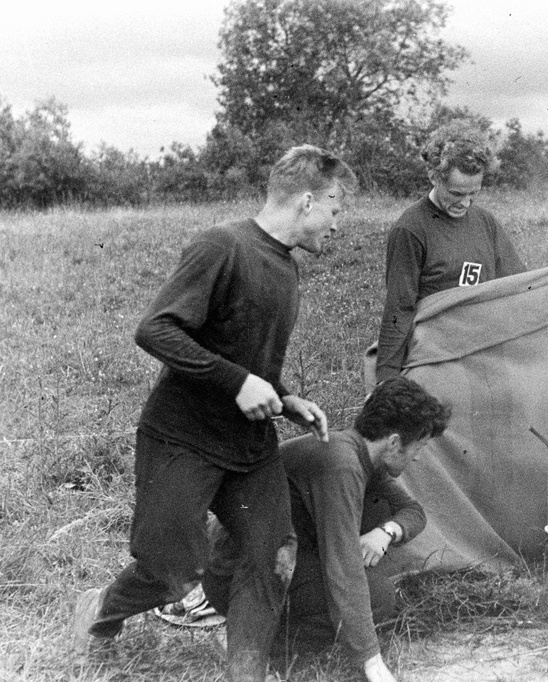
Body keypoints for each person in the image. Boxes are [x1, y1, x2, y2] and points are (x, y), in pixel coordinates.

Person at [71, 145, 357, 682]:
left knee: (271, 557)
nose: (339, 225)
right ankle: (100, 612)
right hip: (183, 436)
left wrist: (283, 396)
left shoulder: (286, 269)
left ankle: (244, 674)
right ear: (307, 200)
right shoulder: (222, 245)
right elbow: (155, 329)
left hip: (248, 448)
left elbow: (247, 356)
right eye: (337, 209)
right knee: (172, 572)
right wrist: (239, 382)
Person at [203, 376, 451, 682]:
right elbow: (343, 569)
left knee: (375, 589)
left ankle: (253, 634)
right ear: (395, 442)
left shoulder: (357, 454)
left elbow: (414, 511)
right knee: (379, 596)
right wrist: (371, 661)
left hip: (266, 568)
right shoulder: (342, 464)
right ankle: (254, 643)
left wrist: (386, 531)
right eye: (420, 446)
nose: (417, 456)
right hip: (238, 580)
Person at [374, 120, 525, 383]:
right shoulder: (411, 229)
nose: (465, 203)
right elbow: (399, 308)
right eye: (456, 193)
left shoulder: (485, 222)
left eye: (473, 194)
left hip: (484, 351)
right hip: (436, 356)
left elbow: (519, 285)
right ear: (434, 177)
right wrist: (386, 379)